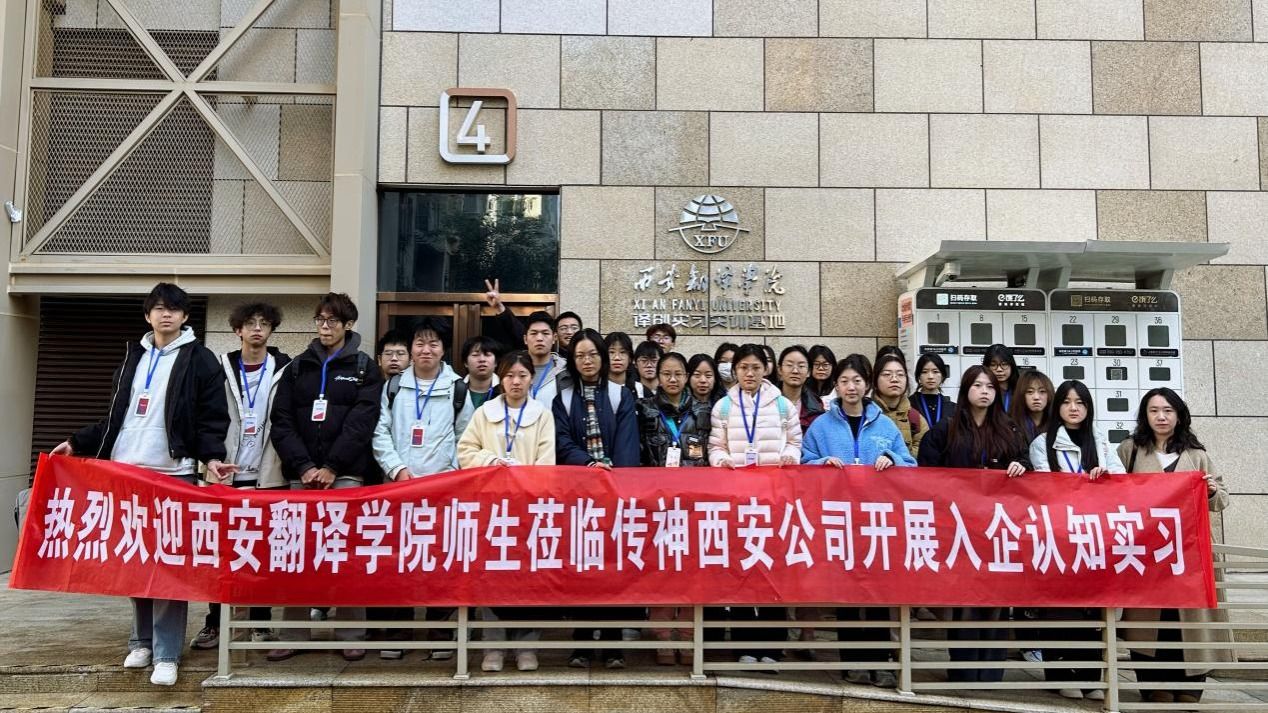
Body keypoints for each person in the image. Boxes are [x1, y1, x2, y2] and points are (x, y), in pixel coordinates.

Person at [51, 282, 232, 686]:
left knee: (169, 564)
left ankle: (167, 653)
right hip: (126, 471)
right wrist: (78, 441)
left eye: (174, 309)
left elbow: (211, 417)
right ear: (148, 315)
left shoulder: (200, 359)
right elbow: (118, 417)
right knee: (134, 560)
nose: (166, 315)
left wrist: (212, 457)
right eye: (159, 308)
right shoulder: (133, 356)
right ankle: (142, 641)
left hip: (171, 472)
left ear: (186, 317)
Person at [267, 292, 384, 663]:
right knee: (296, 557)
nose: (325, 326)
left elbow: (362, 422)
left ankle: (351, 633)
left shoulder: (365, 368)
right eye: (320, 319)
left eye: (333, 320)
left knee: (346, 556)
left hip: (345, 476)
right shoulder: (297, 367)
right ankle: (292, 633)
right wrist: (304, 466)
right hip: (301, 477)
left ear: (348, 325)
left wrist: (332, 466)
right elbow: (281, 421)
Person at [802, 353, 915, 688]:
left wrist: (891, 458)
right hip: (838, 523)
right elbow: (803, 463)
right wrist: (822, 463)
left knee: (878, 596)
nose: (851, 387)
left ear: (867, 384)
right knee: (847, 597)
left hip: (877, 524)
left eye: (857, 381)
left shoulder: (885, 424)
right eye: (844, 381)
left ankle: (881, 663)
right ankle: (852, 663)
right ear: (836, 386)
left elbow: (909, 464)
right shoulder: (821, 426)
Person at [1118, 388, 1232, 706]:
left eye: (1168, 410)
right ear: (1145, 416)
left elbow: (1222, 499)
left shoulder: (1196, 454)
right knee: (1150, 624)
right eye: (1154, 410)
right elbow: (1112, 494)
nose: (1161, 417)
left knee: (1190, 624)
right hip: (1147, 554)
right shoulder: (1130, 450)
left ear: (1179, 415)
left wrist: (1211, 490)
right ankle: (1154, 684)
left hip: (1189, 554)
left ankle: (1190, 686)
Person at [917, 364, 1030, 684]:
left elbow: (1026, 464)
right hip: (960, 530)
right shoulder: (946, 429)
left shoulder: (1009, 429)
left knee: (997, 601)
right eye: (978, 385)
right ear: (966, 389)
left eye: (990, 387)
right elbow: (926, 474)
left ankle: (991, 671)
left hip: (998, 530)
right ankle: (964, 668)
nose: (984, 392)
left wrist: (1021, 465)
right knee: (965, 599)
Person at [370, 317, 473, 660]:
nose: (425, 350)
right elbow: (380, 432)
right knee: (397, 563)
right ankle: (397, 633)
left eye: (433, 344)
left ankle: (440, 633)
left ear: (443, 350)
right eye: (419, 343)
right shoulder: (393, 387)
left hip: (442, 494)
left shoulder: (457, 389)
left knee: (439, 563)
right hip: (398, 491)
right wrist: (397, 470)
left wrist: (448, 478)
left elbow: (465, 439)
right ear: (411, 349)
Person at [192, 301, 291, 653]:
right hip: (223, 475)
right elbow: (204, 417)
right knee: (221, 555)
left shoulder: (286, 369)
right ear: (237, 330)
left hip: (268, 477)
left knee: (262, 554)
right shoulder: (218, 368)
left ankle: (260, 623)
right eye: (250, 323)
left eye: (264, 323)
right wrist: (210, 457)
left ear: (272, 330)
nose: (257, 329)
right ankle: (215, 621)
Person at [1026, 380, 1124, 701]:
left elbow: (1122, 480)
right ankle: (1059, 675)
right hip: (1059, 537)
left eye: (1080, 402)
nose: (1073, 408)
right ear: (1057, 407)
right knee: (1058, 609)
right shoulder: (1043, 443)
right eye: (1067, 402)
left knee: (1092, 611)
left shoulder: (1101, 441)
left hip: (1095, 537)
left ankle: (1091, 677)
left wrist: (1106, 480)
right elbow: (1045, 487)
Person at [458, 351, 556, 673]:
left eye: (522, 375)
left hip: (528, 508)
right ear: (501, 378)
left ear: (531, 379)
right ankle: (494, 646)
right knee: (492, 577)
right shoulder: (484, 413)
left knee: (529, 578)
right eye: (510, 375)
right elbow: (465, 451)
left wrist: (523, 478)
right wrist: (491, 461)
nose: (516, 381)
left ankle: (527, 646)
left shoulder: (542, 415)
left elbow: (547, 462)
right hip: (492, 509)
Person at [708, 344, 802, 666]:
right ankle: (745, 646)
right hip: (737, 501)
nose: (749, 373)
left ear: (766, 370)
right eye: (743, 368)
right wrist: (722, 461)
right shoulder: (723, 406)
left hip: (774, 500)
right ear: (735, 370)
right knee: (743, 571)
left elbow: (796, 442)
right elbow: (715, 446)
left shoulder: (782, 405)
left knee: (774, 572)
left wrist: (789, 456)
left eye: (756, 367)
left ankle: (773, 648)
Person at [552, 328, 640, 669]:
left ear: (602, 358)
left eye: (592, 354)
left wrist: (617, 483)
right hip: (579, 496)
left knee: (614, 570)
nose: (587, 361)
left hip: (615, 496)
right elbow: (561, 442)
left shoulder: (621, 395)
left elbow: (628, 445)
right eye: (580, 356)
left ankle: (614, 645)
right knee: (583, 569)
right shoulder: (563, 398)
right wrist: (589, 465)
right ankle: (583, 643)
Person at [636, 351, 710, 665]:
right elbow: (640, 453)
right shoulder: (645, 409)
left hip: (695, 502)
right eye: (667, 373)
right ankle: (663, 636)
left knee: (692, 571)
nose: (673, 379)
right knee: (662, 571)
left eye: (679, 373)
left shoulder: (704, 410)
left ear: (687, 376)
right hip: (659, 503)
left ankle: (689, 635)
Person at [869, 352, 925, 458]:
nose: (894, 379)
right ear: (875, 381)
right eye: (887, 374)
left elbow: (922, 454)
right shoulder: (865, 415)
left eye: (900, 374)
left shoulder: (916, 418)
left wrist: (898, 459)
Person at [522, 311, 568, 408]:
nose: (539, 338)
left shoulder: (566, 371)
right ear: (525, 339)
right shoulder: (512, 369)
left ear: (554, 338)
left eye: (545, 333)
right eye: (534, 333)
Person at [776, 346, 826, 434]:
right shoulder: (767, 401)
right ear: (780, 370)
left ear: (808, 372)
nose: (795, 371)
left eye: (801, 366)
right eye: (789, 365)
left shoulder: (816, 406)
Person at [910, 353, 956, 428]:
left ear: (943, 375)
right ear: (918, 376)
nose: (930, 377)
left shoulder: (953, 408)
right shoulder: (909, 405)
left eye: (935, 372)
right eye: (925, 372)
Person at [1010, 369, 1054, 443]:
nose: (1036, 397)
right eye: (1030, 392)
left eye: (1042, 391)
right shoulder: (1010, 426)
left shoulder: (1057, 425)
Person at [460, 335, 502, 408]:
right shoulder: (455, 390)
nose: (482, 359)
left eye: (487, 355)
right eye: (475, 355)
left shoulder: (505, 389)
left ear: (496, 362)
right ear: (465, 362)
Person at [982, 344, 1019, 412]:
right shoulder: (982, 392)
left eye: (1004, 364)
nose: (999, 369)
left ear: (1012, 366)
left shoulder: (1020, 391)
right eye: (993, 365)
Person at [605, 331, 638, 395]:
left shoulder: (640, 390)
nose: (617, 358)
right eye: (611, 352)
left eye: (622, 352)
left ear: (630, 358)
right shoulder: (597, 390)